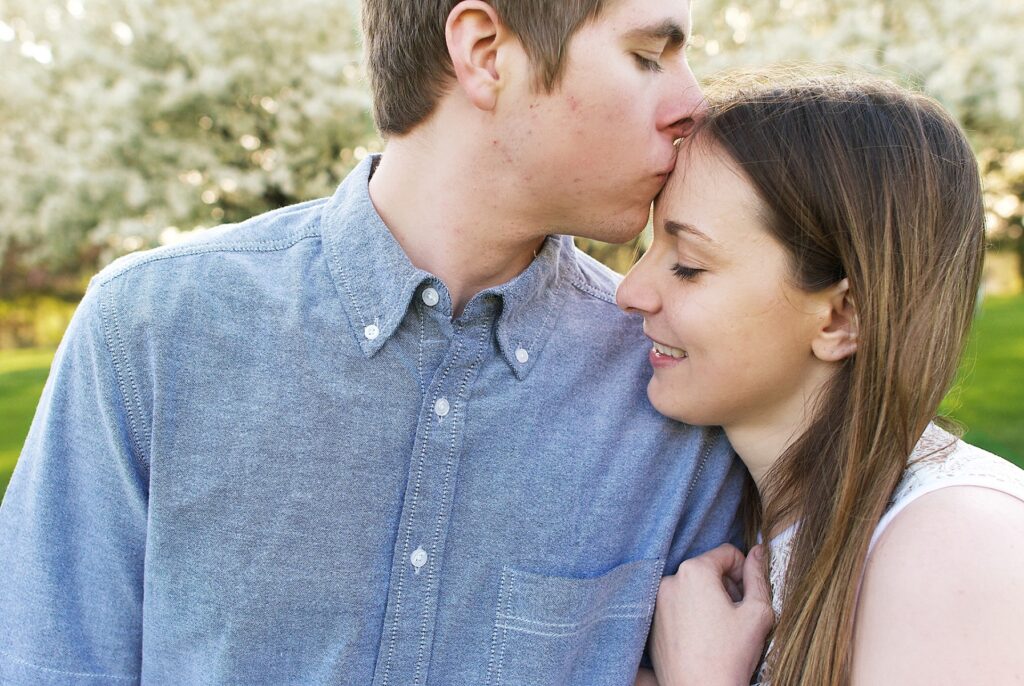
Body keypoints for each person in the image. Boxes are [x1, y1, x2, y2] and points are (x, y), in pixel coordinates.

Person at [0, 0, 746, 683]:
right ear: (487, 53)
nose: (693, 105)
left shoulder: (672, 384)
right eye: (649, 56)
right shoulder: (151, 332)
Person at [620, 75, 1024, 685]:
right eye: (646, 250)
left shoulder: (955, 545)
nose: (630, 292)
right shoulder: (744, 518)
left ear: (841, 317)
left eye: (689, 266)